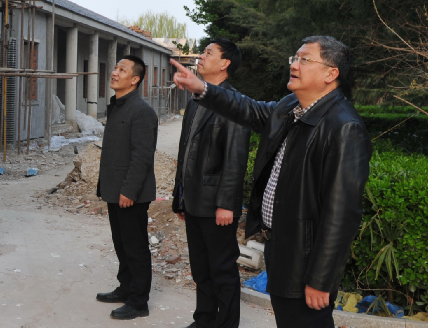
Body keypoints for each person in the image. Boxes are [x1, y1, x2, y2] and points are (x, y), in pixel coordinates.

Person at [170, 36, 372, 328]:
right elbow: (249, 109)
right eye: (295, 58)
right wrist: (202, 88)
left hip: (304, 259)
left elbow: (342, 215)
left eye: (305, 59)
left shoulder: (343, 127)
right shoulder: (292, 106)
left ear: (331, 74)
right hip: (280, 246)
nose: (295, 65)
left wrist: (320, 279)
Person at [172, 39, 251, 328]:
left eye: (208, 53)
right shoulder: (197, 100)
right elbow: (185, 152)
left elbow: (235, 159)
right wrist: (179, 197)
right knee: (200, 268)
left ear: (225, 63)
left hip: (217, 204)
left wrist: (226, 204)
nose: (201, 57)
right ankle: (204, 319)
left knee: (222, 270)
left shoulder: (235, 103)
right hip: (193, 200)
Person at [96, 55, 158, 320]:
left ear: (134, 79)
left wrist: (129, 191)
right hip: (114, 189)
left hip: (130, 194)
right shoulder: (118, 106)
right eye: (115, 68)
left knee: (135, 247)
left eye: (122, 70)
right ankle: (126, 287)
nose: (114, 73)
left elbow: (142, 156)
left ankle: (139, 301)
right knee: (121, 243)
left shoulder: (141, 111)